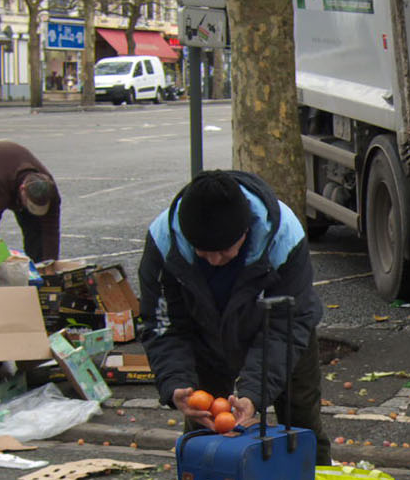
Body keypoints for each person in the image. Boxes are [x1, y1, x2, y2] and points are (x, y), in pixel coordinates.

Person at [137, 170, 331, 464]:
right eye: (203, 252)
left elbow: (285, 329)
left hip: (282, 334)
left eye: (225, 252)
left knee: (302, 423)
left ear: (246, 231)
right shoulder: (165, 242)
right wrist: (175, 382)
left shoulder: (283, 236)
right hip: (205, 335)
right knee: (205, 429)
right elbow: (163, 324)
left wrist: (253, 394)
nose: (214, 260)